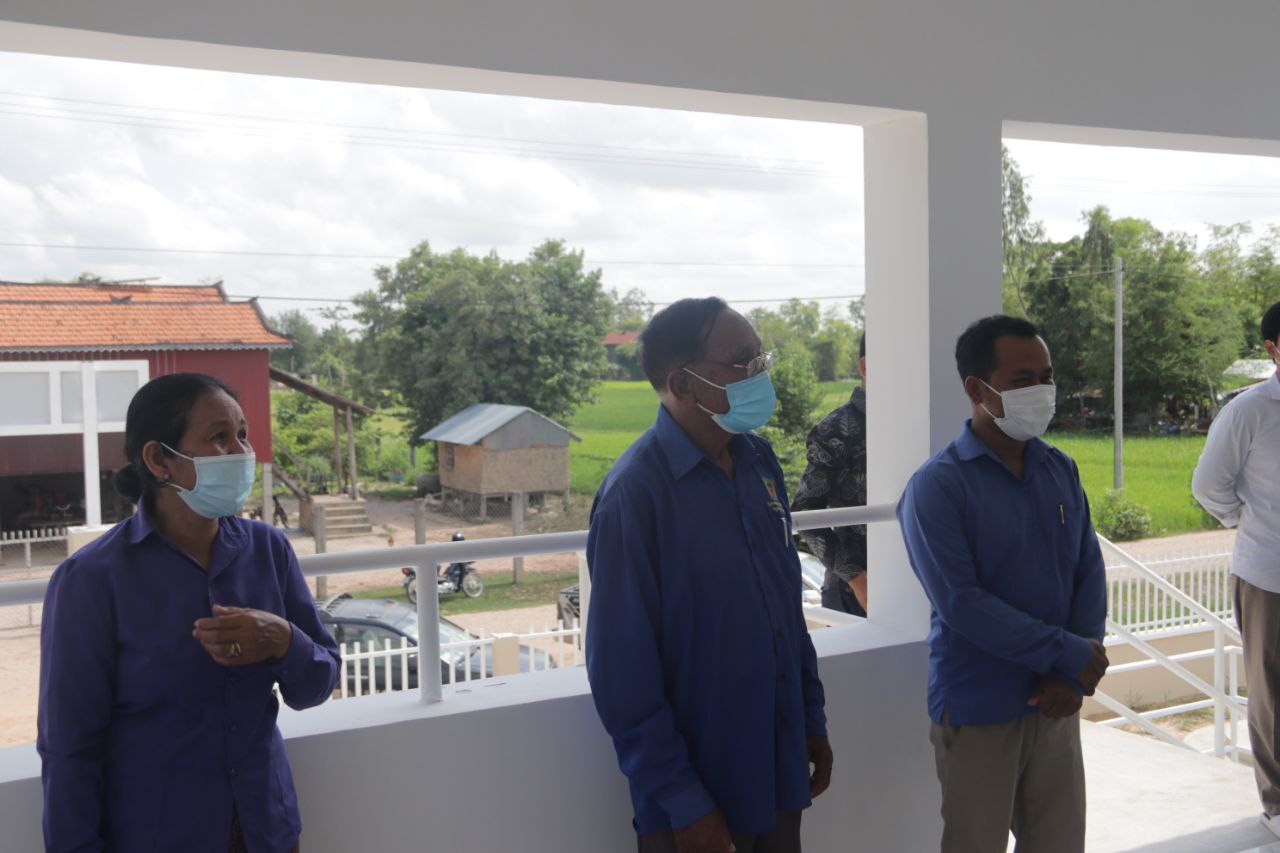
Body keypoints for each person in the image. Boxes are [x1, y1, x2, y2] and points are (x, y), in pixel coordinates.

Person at [37, 373, 341, 853]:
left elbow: (316, 686)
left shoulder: (269, 549)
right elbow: (69, 746)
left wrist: (284, 640)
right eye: (219, 437)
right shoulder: (91, 579)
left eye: (242, 434)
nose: (241, 451)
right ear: (159, 460)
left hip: (268, 829)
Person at [586, 297, 832, 853]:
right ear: (683, 383)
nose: (760, 374)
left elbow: (784, 610)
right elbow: (622, 671)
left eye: (761, 357)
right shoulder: (635, 496)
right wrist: (684, 801)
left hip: (778, 766)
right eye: (743, 361)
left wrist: (811, 720)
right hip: (697, 798)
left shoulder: (758, 462)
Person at [896, 315, 1108, 853]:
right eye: (1023, 380)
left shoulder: (1059, 469)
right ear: (977, 390)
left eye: (1047, 377)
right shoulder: (937, 487)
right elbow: (962, 604)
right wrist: (1068, 653)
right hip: (980, 706)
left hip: (1056, 702)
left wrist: (1074, 672)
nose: (1041, 390)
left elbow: (1087, 568)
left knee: (1061, 843)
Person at [1192, 300, 1280, 838]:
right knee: (1272, 691)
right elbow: (1208, 485)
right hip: (1269, 574)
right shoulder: (1251, 410)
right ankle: (1277, 802)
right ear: (1273, 348)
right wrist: (1248, 521)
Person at [792, 333, 869, 616]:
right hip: (852, 595)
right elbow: (804, 513)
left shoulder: (919, 420)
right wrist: (858, 579)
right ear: (866, 366)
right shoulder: (835, 430)